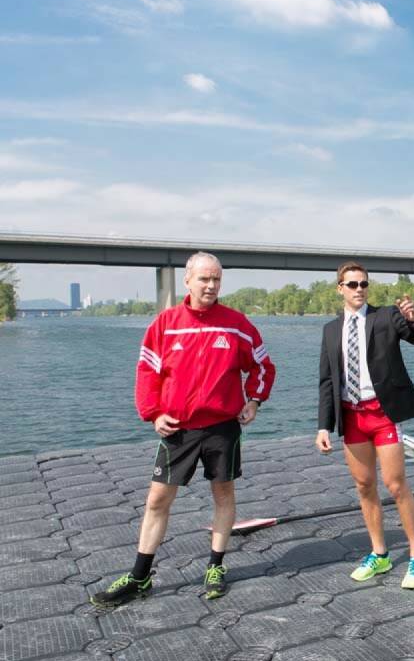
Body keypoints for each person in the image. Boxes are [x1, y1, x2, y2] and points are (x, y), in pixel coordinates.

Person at [90, 251, 276, 606]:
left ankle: (216, 566)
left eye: (216, 279)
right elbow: (148, 371)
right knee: (157, 499)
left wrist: (254, 400)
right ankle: (140, 576)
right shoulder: (166, 323)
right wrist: (153, 412)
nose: (210, 285)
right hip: (178, 429)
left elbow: (263, 365)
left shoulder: (237, 324)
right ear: (187, 281)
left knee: (223, 495)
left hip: (223, 427)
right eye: (204, 279)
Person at [316, 261, 414, 589]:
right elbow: (327, 381)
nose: (359, 290)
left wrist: (413, 319)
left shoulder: (386, 317)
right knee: (365, 486)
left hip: (383, 414)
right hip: (351, 417)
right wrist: (324, 426)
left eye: (364, 284)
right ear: (340, 288)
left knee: (395, 485)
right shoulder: (329, 330)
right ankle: (379, 554)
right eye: (352, 285)